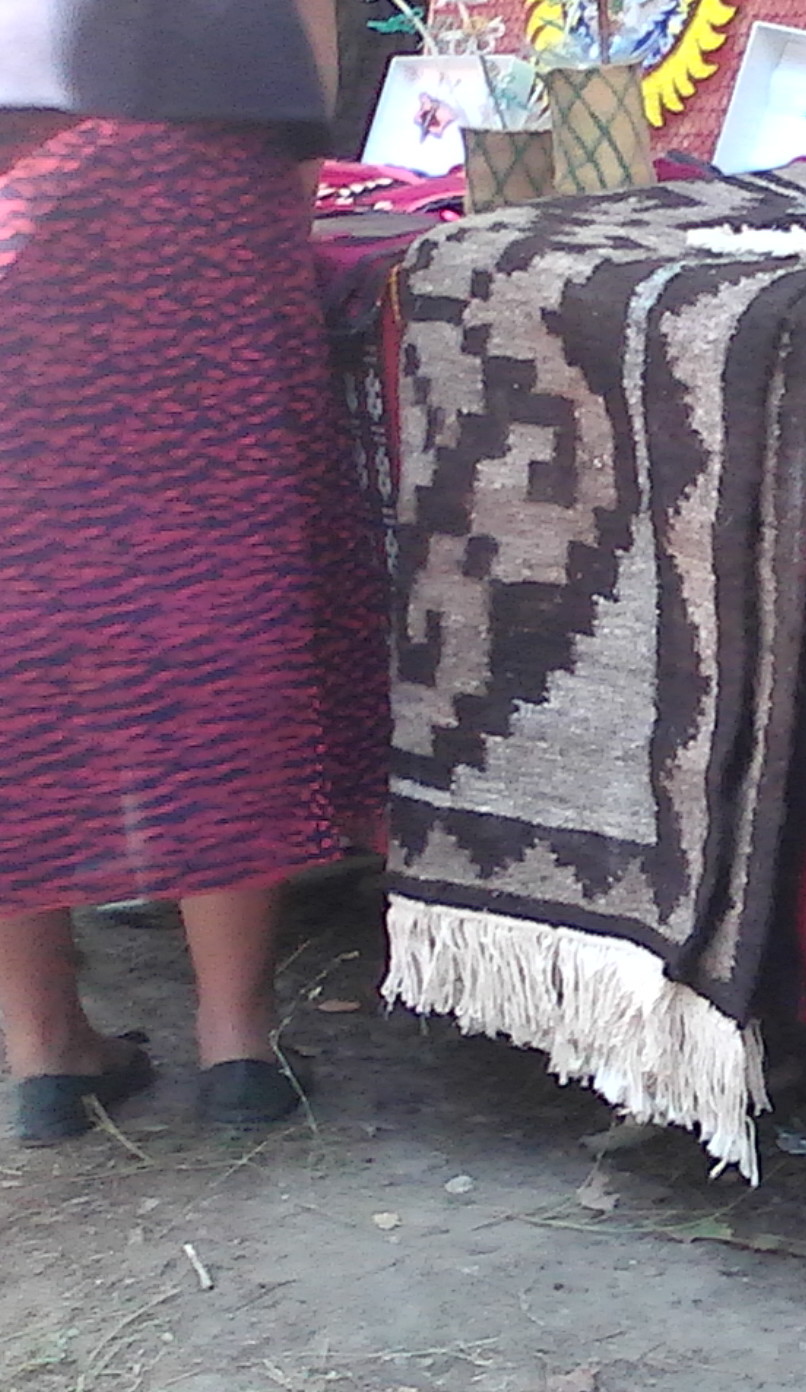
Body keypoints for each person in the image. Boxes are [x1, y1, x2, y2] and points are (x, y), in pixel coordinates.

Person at [0, 0, 387, 1144]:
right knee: (216, 576)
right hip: (201, 151)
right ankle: (237, 1045)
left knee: (17, 604)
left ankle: (44, 1054)